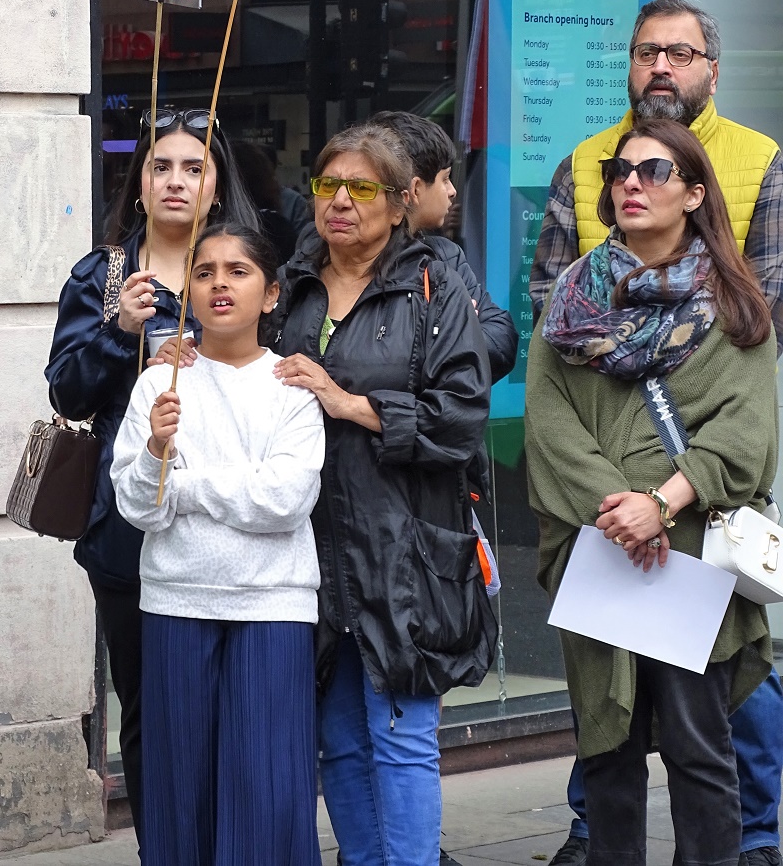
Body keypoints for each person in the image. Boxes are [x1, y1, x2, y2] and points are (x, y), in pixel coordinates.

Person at [529, 0, 783, 866]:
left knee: (699, 752)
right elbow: (553, 426)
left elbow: (745, 438)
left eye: (653, 174)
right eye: (622, 174)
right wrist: (619, 509)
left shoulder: (738, 307)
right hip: (604, 550)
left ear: (694, 192)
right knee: (606, 757)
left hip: (687, 552)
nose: (630, 184)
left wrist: (662, 504)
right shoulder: (570, 309)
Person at [270, 121, 496, 866]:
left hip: (404, 548)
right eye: (327, 185)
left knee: (399, 740)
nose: (339, 201)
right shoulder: (292, 288)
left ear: (400, 204)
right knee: (338, 745)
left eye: (360, 188)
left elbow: (460, 422)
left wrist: (353, 403)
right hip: (310, 549)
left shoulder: (434, 288)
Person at [45, 109, 258, 845]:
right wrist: (118, 332)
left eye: (193, 167)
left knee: (234, 700)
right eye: (160, 167)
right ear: (137, 186)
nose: (175, 181)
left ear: (217, 184)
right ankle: (163, 846)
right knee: (150, 705)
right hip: (127, 524)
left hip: (230, 519)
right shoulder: (103, 275)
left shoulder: (244, 270)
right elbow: (66, 393)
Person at [111, 225, 324, 866]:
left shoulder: (293, 386)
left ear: (271, 295)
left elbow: (284, 501)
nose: (218, 285)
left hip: (273, 604)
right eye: (203, 273)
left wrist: (188, 483)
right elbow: (139, 505)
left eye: (237, 272)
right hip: (175, 598)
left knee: (266, 786)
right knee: (182, 787)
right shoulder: (159, 385)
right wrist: (155, 453)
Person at [368, 110, 518, 385]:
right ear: (415, 190)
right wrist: (451, 330)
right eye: (445, 178)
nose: (452, 191)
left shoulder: (445, 255)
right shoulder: (348, 259)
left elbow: (500, 339)